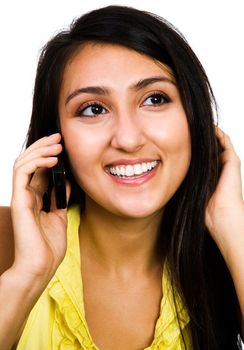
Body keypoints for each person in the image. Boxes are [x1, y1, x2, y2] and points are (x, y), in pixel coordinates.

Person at [0, 5, 243, 350]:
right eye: (93, 109)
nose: (128, 139)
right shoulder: (9, 242)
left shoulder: (231, 253)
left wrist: (232, 228)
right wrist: (27, 276)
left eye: (155, 99)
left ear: (194, 118)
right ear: (56, 138)